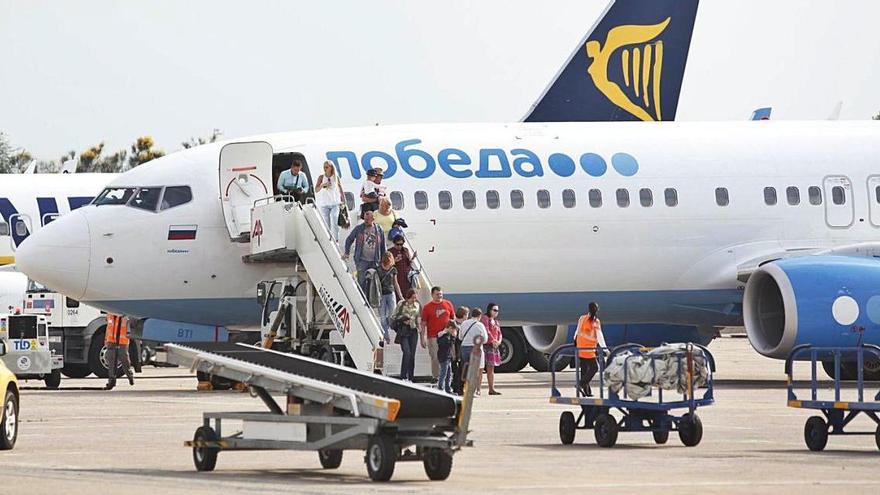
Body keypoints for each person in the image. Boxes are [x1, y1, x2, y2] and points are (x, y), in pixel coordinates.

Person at [343, 210, 386, 293]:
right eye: (364, 219)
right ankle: (362, 300)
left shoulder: (379, 229)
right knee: (362, 282)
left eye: (367, 220)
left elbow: (383, 246)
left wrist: (384, 260)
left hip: (375, 261)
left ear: (373, 219)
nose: (365, 221)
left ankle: (372, 301)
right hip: (362, 261)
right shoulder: (359, 228)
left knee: (374, 283)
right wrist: (347, 252)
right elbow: (349, 240)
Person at [420, 286, 455, 385]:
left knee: (448, 357)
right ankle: (436, 377)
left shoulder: (448, 304)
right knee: (435, 357)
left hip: (447, 336)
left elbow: (453, 319)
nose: (439, 296)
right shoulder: (427, 307)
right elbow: (423, 323)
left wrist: (453, 332)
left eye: (441, 294)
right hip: (433, 336)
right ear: (432, 295)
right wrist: (422, 338)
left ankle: (448, 379)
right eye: (437, 294)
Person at [575, 301, 607, 397]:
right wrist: (605, 349)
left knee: (584, 370)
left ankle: (586, 391)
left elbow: (577, 332)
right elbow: (599, 336)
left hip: (580, 348)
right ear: (597, 310)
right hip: (588, 350)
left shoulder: (582, 318)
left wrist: (575, 344)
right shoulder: (595, 321)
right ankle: (580, 384)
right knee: (594, 368)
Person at [391, 289, 421, 381]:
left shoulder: (417, 305)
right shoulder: (401, 304)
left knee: (412, 355)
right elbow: (394, 316)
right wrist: (403, 319)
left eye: (415, 298)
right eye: (412, 298)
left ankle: (410, 376)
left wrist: (419, 328)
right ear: (408, 298)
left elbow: (418, 318)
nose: (414, 300)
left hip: (413, 331)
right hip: (404, 331)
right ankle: (403, 375)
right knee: (407, 353)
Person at [458, 308, 488, 396]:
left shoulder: (464, 323)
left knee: (466, 370)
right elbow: (485, 339)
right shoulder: (480, 325)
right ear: (480, 316)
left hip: (464, 348)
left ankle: (464, 389)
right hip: (475, 348)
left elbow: (460, 337)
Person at [314, 160, 345, 242]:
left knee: (334, 219)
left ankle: (336, 239)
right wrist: (322, 185)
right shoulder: (321, 177)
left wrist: (343, 201)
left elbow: (341, 190)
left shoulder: (335, 177)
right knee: (326, 223)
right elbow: (316, 190)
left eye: (327, 167)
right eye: (324, 167)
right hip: (325, 204)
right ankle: (328, 240)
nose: (325, 169)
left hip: (335, 203)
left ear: (331, 167)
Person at [376, 251, 402, 341]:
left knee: (392, 314)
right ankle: (386, 336)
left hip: (391, 293)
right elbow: (375, 284)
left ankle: (389, 330)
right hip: (381, 295)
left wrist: (400, 295)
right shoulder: (378, 270)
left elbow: (396, 283)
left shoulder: (393, 269)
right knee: (382, 317)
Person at [104, 314, 134, 390]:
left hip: (122, 341)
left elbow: (131, 326)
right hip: (111, 341)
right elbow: (108, 327)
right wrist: (106, 339)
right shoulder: (109, 314)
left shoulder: (126, 315)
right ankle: (111, 381)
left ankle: (129, 375)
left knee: (124, 360)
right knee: (111, 362)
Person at [481, 303, 503, 395]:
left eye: (497, 311)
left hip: (493, 347)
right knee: (480, 369)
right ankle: (477, 389)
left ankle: (491, 388)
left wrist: (498, 341)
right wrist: (493, 340)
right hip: (486, 346)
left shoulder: (496, 322)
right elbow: (487, 331)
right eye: (494, 310)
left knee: (491, 369)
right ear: (489, 310)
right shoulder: (485, 319)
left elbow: (500, 333)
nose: (496, 312)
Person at [451, 306, 470, 395]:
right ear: (464, 315)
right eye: (467, 315)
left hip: (456, 350)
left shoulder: (454, 324)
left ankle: (457, 388)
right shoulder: (460, 326)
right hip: (458, 351)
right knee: (459, 371)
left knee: (457, 371)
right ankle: (458, 389)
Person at [436, 321, 457, 393]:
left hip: (447, 356)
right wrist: (453, 337)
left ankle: (447, 388)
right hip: (444, 356)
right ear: (450, 328)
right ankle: (440, 387)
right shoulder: (444, 335)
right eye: (453, 330)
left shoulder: (446, 335)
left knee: (448, 373)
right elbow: (447, 344)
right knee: (444, 372)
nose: (453, 332)